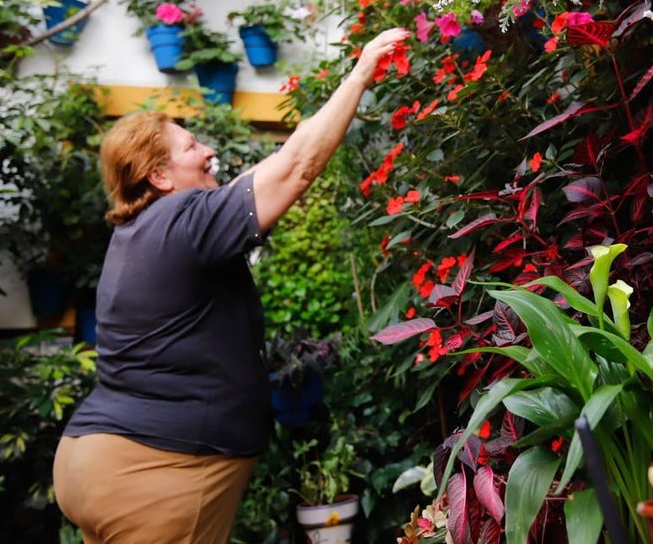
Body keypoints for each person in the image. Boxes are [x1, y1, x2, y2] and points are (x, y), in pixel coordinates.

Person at [53, 27, 409, 544]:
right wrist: (361, 72)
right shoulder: (180, 218)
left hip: (96, 459)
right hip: (155, 474)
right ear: (158, 177)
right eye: (192, 145)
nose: (209, 150)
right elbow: (297, 166)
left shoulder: (138, 234)